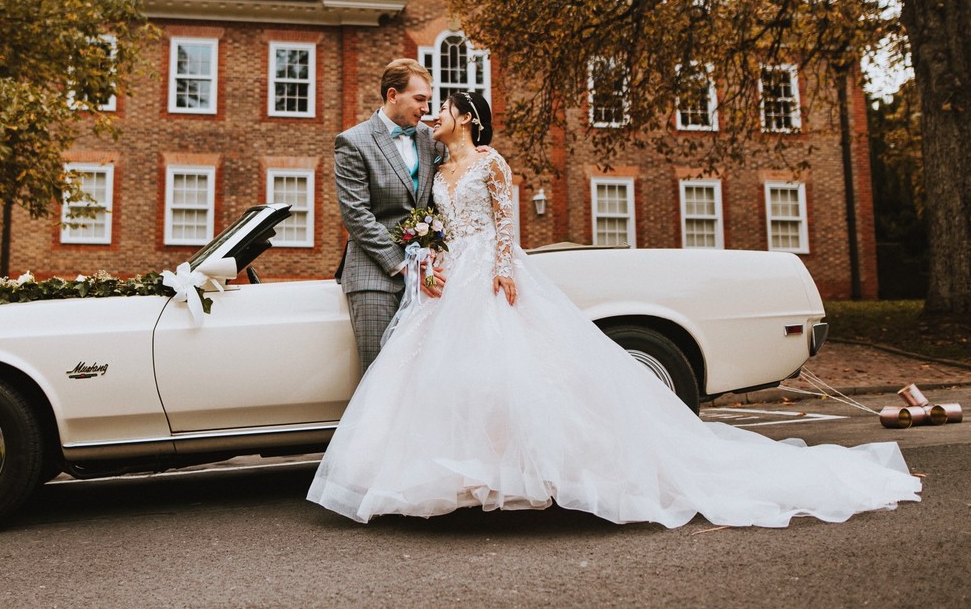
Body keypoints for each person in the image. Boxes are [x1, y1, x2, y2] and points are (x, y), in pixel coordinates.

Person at [309, 90, 922, 527]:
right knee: (449, 378)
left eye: (443, 109)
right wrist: (429, 256)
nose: (434, 116)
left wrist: (501, 271)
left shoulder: (491, 163)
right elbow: (434, 223)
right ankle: (467, 476)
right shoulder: (439, 165)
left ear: (467, 118)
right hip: (447, 280)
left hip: (489, 276)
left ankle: (524, 475)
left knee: (510, 370)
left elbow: (505, 224)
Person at [333, 59, 445, 373]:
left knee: (426, 371)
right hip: (374, 276)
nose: (426, 108)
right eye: (419, 99)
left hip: (429, 276)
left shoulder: (431, 140)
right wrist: (404, 264)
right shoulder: (353, 142)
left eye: (428, 100)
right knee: (380, 374)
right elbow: (356, 215)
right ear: (393, 95)